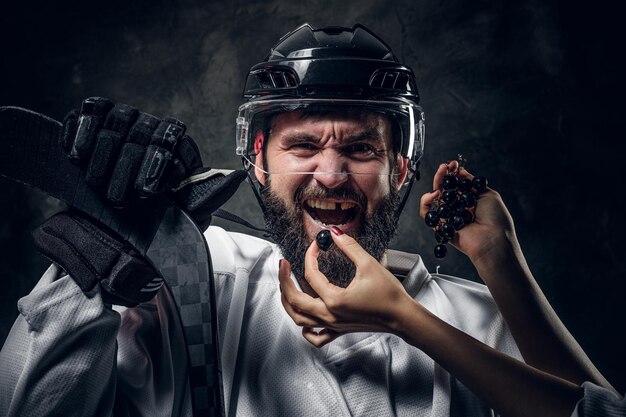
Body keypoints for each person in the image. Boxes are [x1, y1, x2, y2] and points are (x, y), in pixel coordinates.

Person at [0, 23, 623, 417]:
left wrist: (498, 262)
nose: (330, 175)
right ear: (259, 163)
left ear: (400, 169)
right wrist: (84, 273)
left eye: (360, 149)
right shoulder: (183, 278)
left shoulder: (478, 317)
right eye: (302, 147)